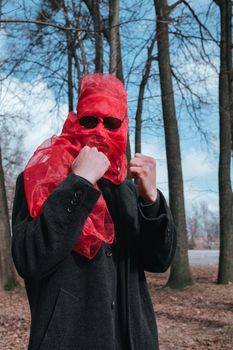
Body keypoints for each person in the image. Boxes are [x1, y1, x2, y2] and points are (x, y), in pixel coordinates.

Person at [12, 73, 176, 350]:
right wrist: (79, 184)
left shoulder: (126, 189)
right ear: (75, 121)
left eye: (111, 123)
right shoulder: (39, 178)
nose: (100, 131)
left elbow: (159, 260)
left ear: (123, 127)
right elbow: (29, 259)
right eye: (90, 120)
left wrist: (151, 199)